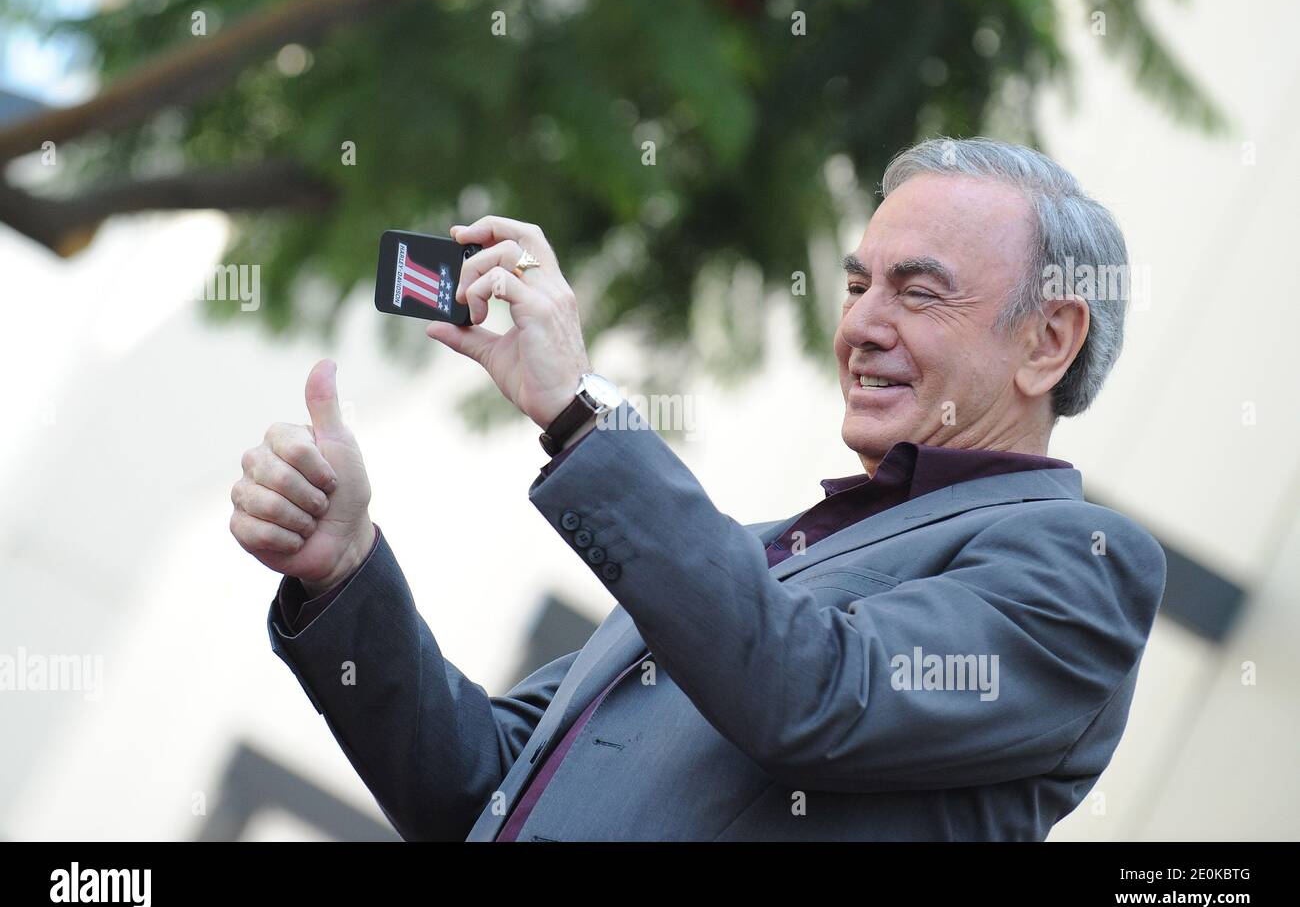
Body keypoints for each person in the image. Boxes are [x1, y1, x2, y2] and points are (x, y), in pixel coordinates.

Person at [229, 137, 1166, 841]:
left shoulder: (1082, 564)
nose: (863, 328)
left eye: (919, 294)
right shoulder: (757, 552)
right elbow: (480, 789)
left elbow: (810, 695)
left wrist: (582, 414)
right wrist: (344, 571)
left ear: (1048, 341)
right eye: (856, 287)